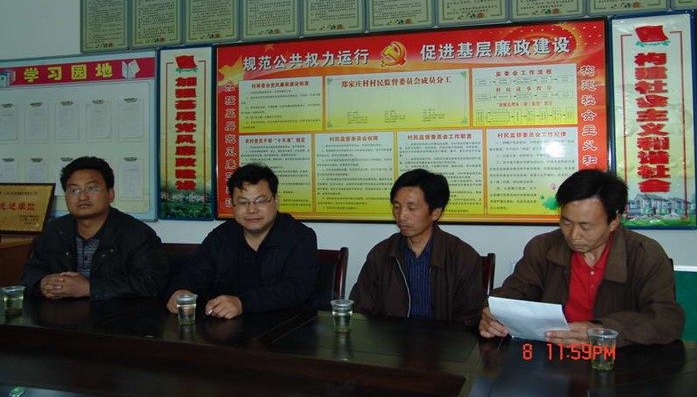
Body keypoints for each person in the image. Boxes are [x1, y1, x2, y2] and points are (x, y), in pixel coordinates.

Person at [479, 168, 685, 347]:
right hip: (551, 355)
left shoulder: (644, 254)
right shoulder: (543, 247)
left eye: (585, 226)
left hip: (617, 361)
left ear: (614, 221)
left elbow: (666, 319)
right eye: (566, 223)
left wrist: (603, 331)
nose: (573, 235)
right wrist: (495, 312)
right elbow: (516, 291)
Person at [166, 163, 318, 319]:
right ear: (233, 205)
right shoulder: (222, 236)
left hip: (286, 326)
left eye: (260, 201)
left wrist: (242, 303)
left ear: (276, 200)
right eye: (243, 202)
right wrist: (180, 291)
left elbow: (296, 289)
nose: (252, 210)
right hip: (226, 328)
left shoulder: (300, 237)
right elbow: (194, 274)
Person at [21, 156, 169, 300]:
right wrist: (42, 283)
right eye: (74, 190)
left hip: (117, 315)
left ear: (110, 194)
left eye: (92, 188)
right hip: (60, 314)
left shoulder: (137, 234)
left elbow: (152, 282)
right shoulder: (54, 230)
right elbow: (29, 273)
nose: (82, 197)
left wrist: (89, 288)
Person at [350, 169, 484, 324]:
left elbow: (471, 319)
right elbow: (360, 311)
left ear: (435, 213)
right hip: (390, 338)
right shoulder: (380, 254)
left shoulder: (463, 257)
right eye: (397, 207)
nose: (401, 216)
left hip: (444, 338)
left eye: (411, 208)